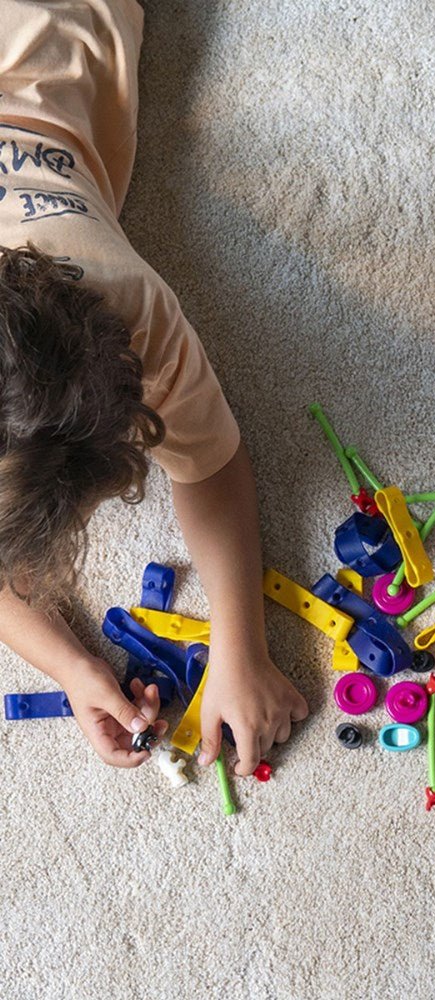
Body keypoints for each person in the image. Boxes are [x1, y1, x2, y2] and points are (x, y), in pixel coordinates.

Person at [0, 0, 308, 770]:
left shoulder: (130, 310)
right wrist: (72, 669)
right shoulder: (111, 330)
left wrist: (243, 648)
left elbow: (209, 463)